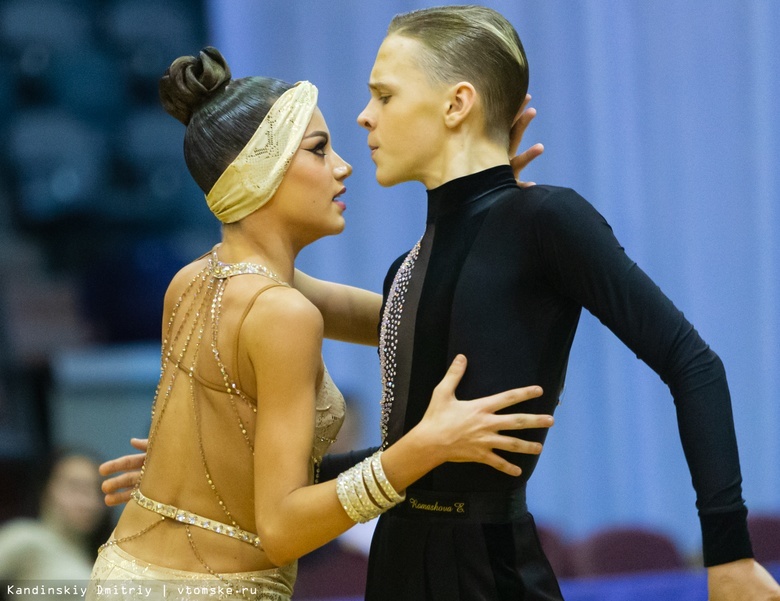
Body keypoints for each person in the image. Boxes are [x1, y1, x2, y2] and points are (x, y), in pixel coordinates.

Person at [102, 5, 780, 600]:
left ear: (456, 105)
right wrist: (202, 462)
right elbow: (413, 449)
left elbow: (693, 362)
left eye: (385, 96)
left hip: (488, 562)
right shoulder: (410, 265)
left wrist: (728, 552)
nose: (365, 118)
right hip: (395, 560)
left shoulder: (546, 221)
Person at [86, 46, 552, 601]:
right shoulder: (283, 312)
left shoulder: (194, 279)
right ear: (260, 174)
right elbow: (282, 531)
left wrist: (481, 209)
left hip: (125, 574)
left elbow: (408, 319)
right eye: (319, 149)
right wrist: (421, 449)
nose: (343, 166)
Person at [0, 448, 111, 600]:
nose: (89, 501)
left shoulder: (104, 559)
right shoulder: (26, 537)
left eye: (97, 490)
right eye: (76, 487)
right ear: (46, 489)